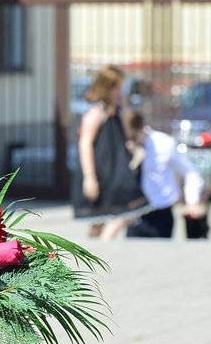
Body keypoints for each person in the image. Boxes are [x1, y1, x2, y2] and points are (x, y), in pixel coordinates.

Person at [71, 65, 149, 239]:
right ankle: (103, 247)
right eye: (117, 87)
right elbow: (85, 143)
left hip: (114, 170)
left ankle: (98, 248)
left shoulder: (115, 111)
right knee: (111, 215)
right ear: (107, 87)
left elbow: (128, 133)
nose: (120, 91)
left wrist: (124, 105)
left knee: (108, 216)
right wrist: (90, 177)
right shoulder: (96, 112)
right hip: (102, 171)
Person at [124, 110, 207, 238]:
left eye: (133, 137)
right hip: (136, 214)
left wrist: (192, 200)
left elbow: (190, 172)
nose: (131, 141)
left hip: (160, 213)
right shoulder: (126, 148)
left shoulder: (163, 143)